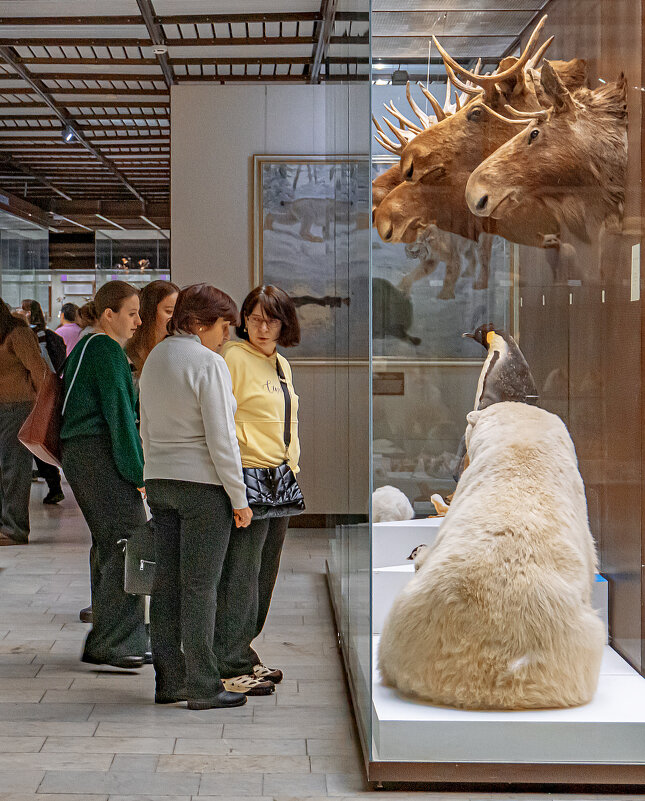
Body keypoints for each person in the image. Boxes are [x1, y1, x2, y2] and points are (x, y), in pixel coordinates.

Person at [139, 283, 252, 710]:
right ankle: (204, 685)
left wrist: (151, 475)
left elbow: (145, 426)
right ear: (200, 323)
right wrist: (239, 497)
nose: (226, 336)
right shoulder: (208, 363)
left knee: (166, 585)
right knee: (201, 588)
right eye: (223, 326)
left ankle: (169, 681)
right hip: (203, 487)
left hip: (161, 481)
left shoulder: (155, 358)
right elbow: (222, 438)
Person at [216, 284, 301, 690]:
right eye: (254, 319)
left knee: (264, 573)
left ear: (285, 324)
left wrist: (293, 464)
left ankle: (242, 651)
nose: (262, 328)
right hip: (248, 474)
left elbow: (287, 420)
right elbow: (221, 419)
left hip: (280, 476)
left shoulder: (280, 363)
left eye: (271, 320)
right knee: (241, 573)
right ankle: (229, 662)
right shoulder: (233, 356)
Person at [61, 281, 148, 669]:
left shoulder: (86, 345)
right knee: (127, 542)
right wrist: (137, 472)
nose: (138, 321)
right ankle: (117, 640)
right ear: (109, 315)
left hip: (83, 455)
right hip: (99, 455)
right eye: (132, 313)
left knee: (111, 544)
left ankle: (109, 638)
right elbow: (120, 417)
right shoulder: (107, 350)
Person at [0, 299, 48, 544]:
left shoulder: (17, 333)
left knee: (14, 468)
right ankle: (6, 524)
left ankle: (15, 528)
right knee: (5, 468)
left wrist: (41, 407)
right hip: (8, 407)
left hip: (16, 408)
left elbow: (39, 371)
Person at [22, 300, 66, 505]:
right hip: (50, 393)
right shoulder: (52, 336)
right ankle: (54, 484)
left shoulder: (30, 337)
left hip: (35, 394)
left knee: (34, 437)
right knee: (39, 438)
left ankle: (53, 484)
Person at [125, 280, 179, 378]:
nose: (175, 317)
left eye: (178, 312)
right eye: (169, 311)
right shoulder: (127, 353)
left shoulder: (176, 348)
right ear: (149, 311)